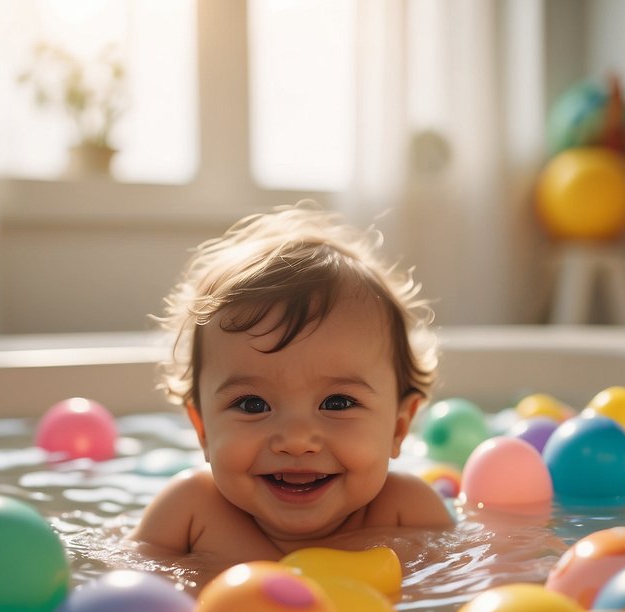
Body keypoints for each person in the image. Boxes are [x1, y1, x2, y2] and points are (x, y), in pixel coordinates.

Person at [131, 203, 455, 559]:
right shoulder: (188, 512)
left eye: (338, 403)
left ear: (399, 427)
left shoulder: (405, 513)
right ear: (203, 429)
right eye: (252, 405)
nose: (297, 441)